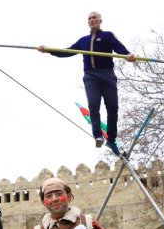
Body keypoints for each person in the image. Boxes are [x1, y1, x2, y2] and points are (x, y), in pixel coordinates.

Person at [39, 12, 135, 156]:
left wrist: (128, 55)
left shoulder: (108, 35)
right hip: (91, 76)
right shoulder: (83, 41)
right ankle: (97, 135)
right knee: (93, 104)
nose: (92, 20)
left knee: (112, 107)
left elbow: (118, 47)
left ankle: (112, 139)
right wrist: (48, 50)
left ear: (100, 20)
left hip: (107, 74)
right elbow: (66, 52)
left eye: (94, 17)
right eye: (89, 18)